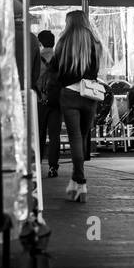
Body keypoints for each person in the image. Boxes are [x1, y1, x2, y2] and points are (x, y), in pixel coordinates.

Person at [48, 11, 103, 202]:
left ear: (68, 23)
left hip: (69, 95)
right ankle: (77, 182)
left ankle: (80, 181)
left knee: (75, 138)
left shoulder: (62, 42)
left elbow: (54, 69)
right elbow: (95, 70)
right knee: (84, 135)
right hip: (89, 95)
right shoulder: (95, 42)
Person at [34, 30, 59, 173]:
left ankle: (37, 165)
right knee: (54, 135)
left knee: (40, 134)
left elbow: (34, 78)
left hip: (40, 100)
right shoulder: (59, 57)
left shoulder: (37, 58)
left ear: (40, 42)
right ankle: (53, 166)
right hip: (56, 101)